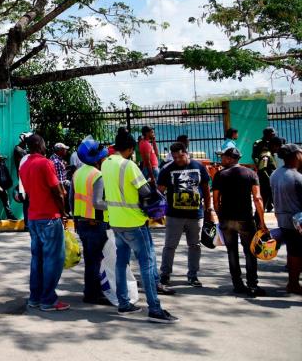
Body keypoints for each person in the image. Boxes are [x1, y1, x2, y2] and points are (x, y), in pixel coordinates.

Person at [102, 128, 178, 323]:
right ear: (129, 148)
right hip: (134, 222)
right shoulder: (129, 165)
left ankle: (124, 304)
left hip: (116, 221)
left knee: (121, 262)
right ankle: (154, 309)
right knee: (147, 263)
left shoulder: (106, 164)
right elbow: (145, 191)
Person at [19, 134, 69, 312]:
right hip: (49, 216)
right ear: (39, 145)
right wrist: (63, 212)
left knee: (37, 259)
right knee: (54, 259)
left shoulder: (24, 165)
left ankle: (35, 297)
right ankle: (48, 299)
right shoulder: (45, 163)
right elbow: (57, 191)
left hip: (33, 216)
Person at [212, 146, 267, 297]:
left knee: (232, 252)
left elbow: (216, 201)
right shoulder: (251, 174)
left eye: (223, 157)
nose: (221, 159)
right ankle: (253, 286)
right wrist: (262, 221)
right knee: (250, 252)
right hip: (246, 220)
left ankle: (237, 284)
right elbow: (257, 198)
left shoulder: (220, 175)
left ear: (230, 158)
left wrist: (220, 216)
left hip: (227, 220)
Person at [157, 142, 211, 288]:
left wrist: (209, 209)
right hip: (174, 216)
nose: (178, 160)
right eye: (175, 157)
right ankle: (165, 275)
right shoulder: (167, 169)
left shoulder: (199, 167)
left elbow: (206, 189)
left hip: (196, 215)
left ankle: (193, 276)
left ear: (186, 153)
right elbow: (159, 192)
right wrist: (157, 211)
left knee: (195, 246)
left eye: (181, 156)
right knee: (170, 246)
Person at [72, 137, 111, 306]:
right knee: (96, 260)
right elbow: (97, 203)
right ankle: (95, 294)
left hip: (81, 222)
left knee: (90, 260)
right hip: (96, 223)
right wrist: (115, 205)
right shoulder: (97, 175)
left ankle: (89, 292)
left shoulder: (77, 173)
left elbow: (71, 200)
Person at [271, 143, 302, 295]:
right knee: (296, 253)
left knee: (292, 252)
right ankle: (294, 284)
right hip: (297, 221)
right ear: (296, 156)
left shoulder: (275, 174)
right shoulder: (297, 177)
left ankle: (293, 282)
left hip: (283, 219)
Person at [256, 136, 278, 213]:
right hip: (266, 184)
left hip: (269, 183)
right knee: (263, 203)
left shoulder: (271, 154)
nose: (278, 149)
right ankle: (257, 221)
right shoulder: (266, 155)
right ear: (273, 145)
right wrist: (269, 180)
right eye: (277, 146)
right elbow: (262, 169)